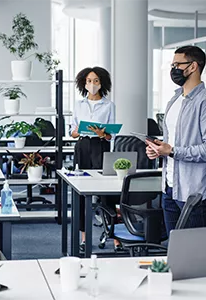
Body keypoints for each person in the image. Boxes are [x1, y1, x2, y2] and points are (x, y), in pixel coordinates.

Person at [146, 45, 206, 236]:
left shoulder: (203, 101)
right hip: (169, 187)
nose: (173, 69)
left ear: (193, 66)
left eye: (177, 64)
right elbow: (171, 141)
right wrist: (157, 149)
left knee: (193, 254)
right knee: (174, 250)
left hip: (192, 192)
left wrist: (172, 151)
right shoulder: (174, 100)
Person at [71, 66, 120, 252]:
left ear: (102, 84)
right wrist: (78, 131)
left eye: (96, 81)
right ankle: (84, 238)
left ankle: (115, 237)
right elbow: (73, 131)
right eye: (89, 81)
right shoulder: (78, 105)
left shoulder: (109, 105)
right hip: (82, 146)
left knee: (107, 193)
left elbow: (111, 136)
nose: (92, 84)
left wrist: (102, 133)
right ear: (84, 83)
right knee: (82, 192)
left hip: (101, 147)